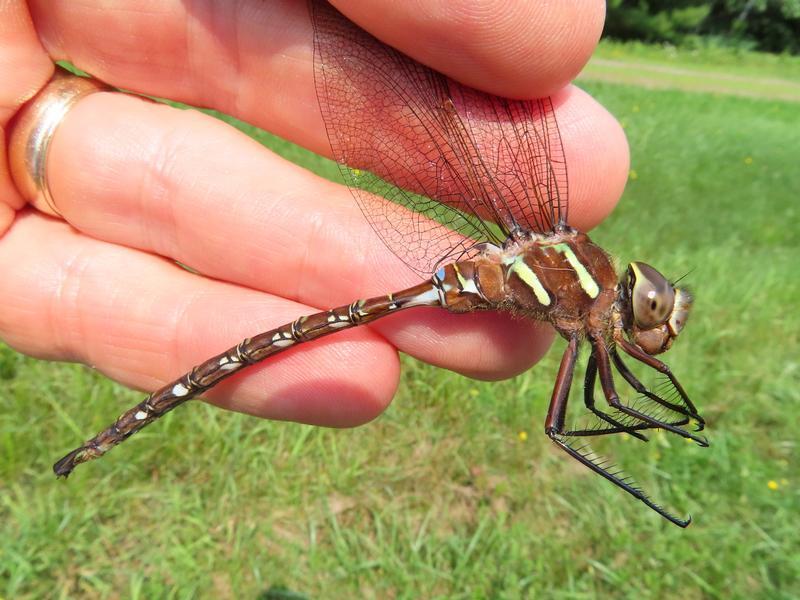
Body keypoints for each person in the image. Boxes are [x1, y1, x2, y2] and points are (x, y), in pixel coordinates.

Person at [0, 0, 627, 428]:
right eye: (648, 304)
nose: (648, 312)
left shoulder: (582, 299)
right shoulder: (587, 300)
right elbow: (584, 415)